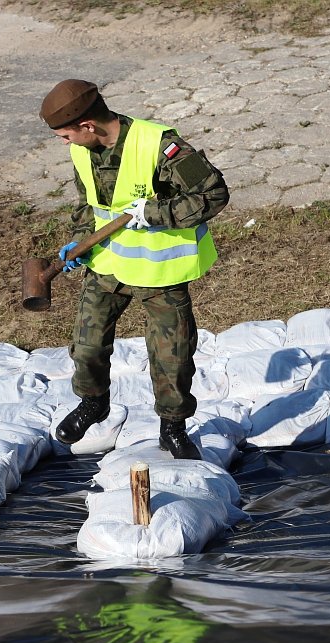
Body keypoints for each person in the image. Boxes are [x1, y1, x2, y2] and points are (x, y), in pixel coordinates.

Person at [39, 78, 229, 460]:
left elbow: (214, 194)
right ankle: (94, 403)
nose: (65, 142)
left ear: (88, 126)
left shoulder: (159, 145)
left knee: (171, 355)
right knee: (87, 346)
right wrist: (79, 239)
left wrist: (155, 213)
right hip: (107, 264)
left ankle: (172, 428)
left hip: (161, 273)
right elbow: (88, 204)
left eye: (65, 135)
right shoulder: (82, 150)